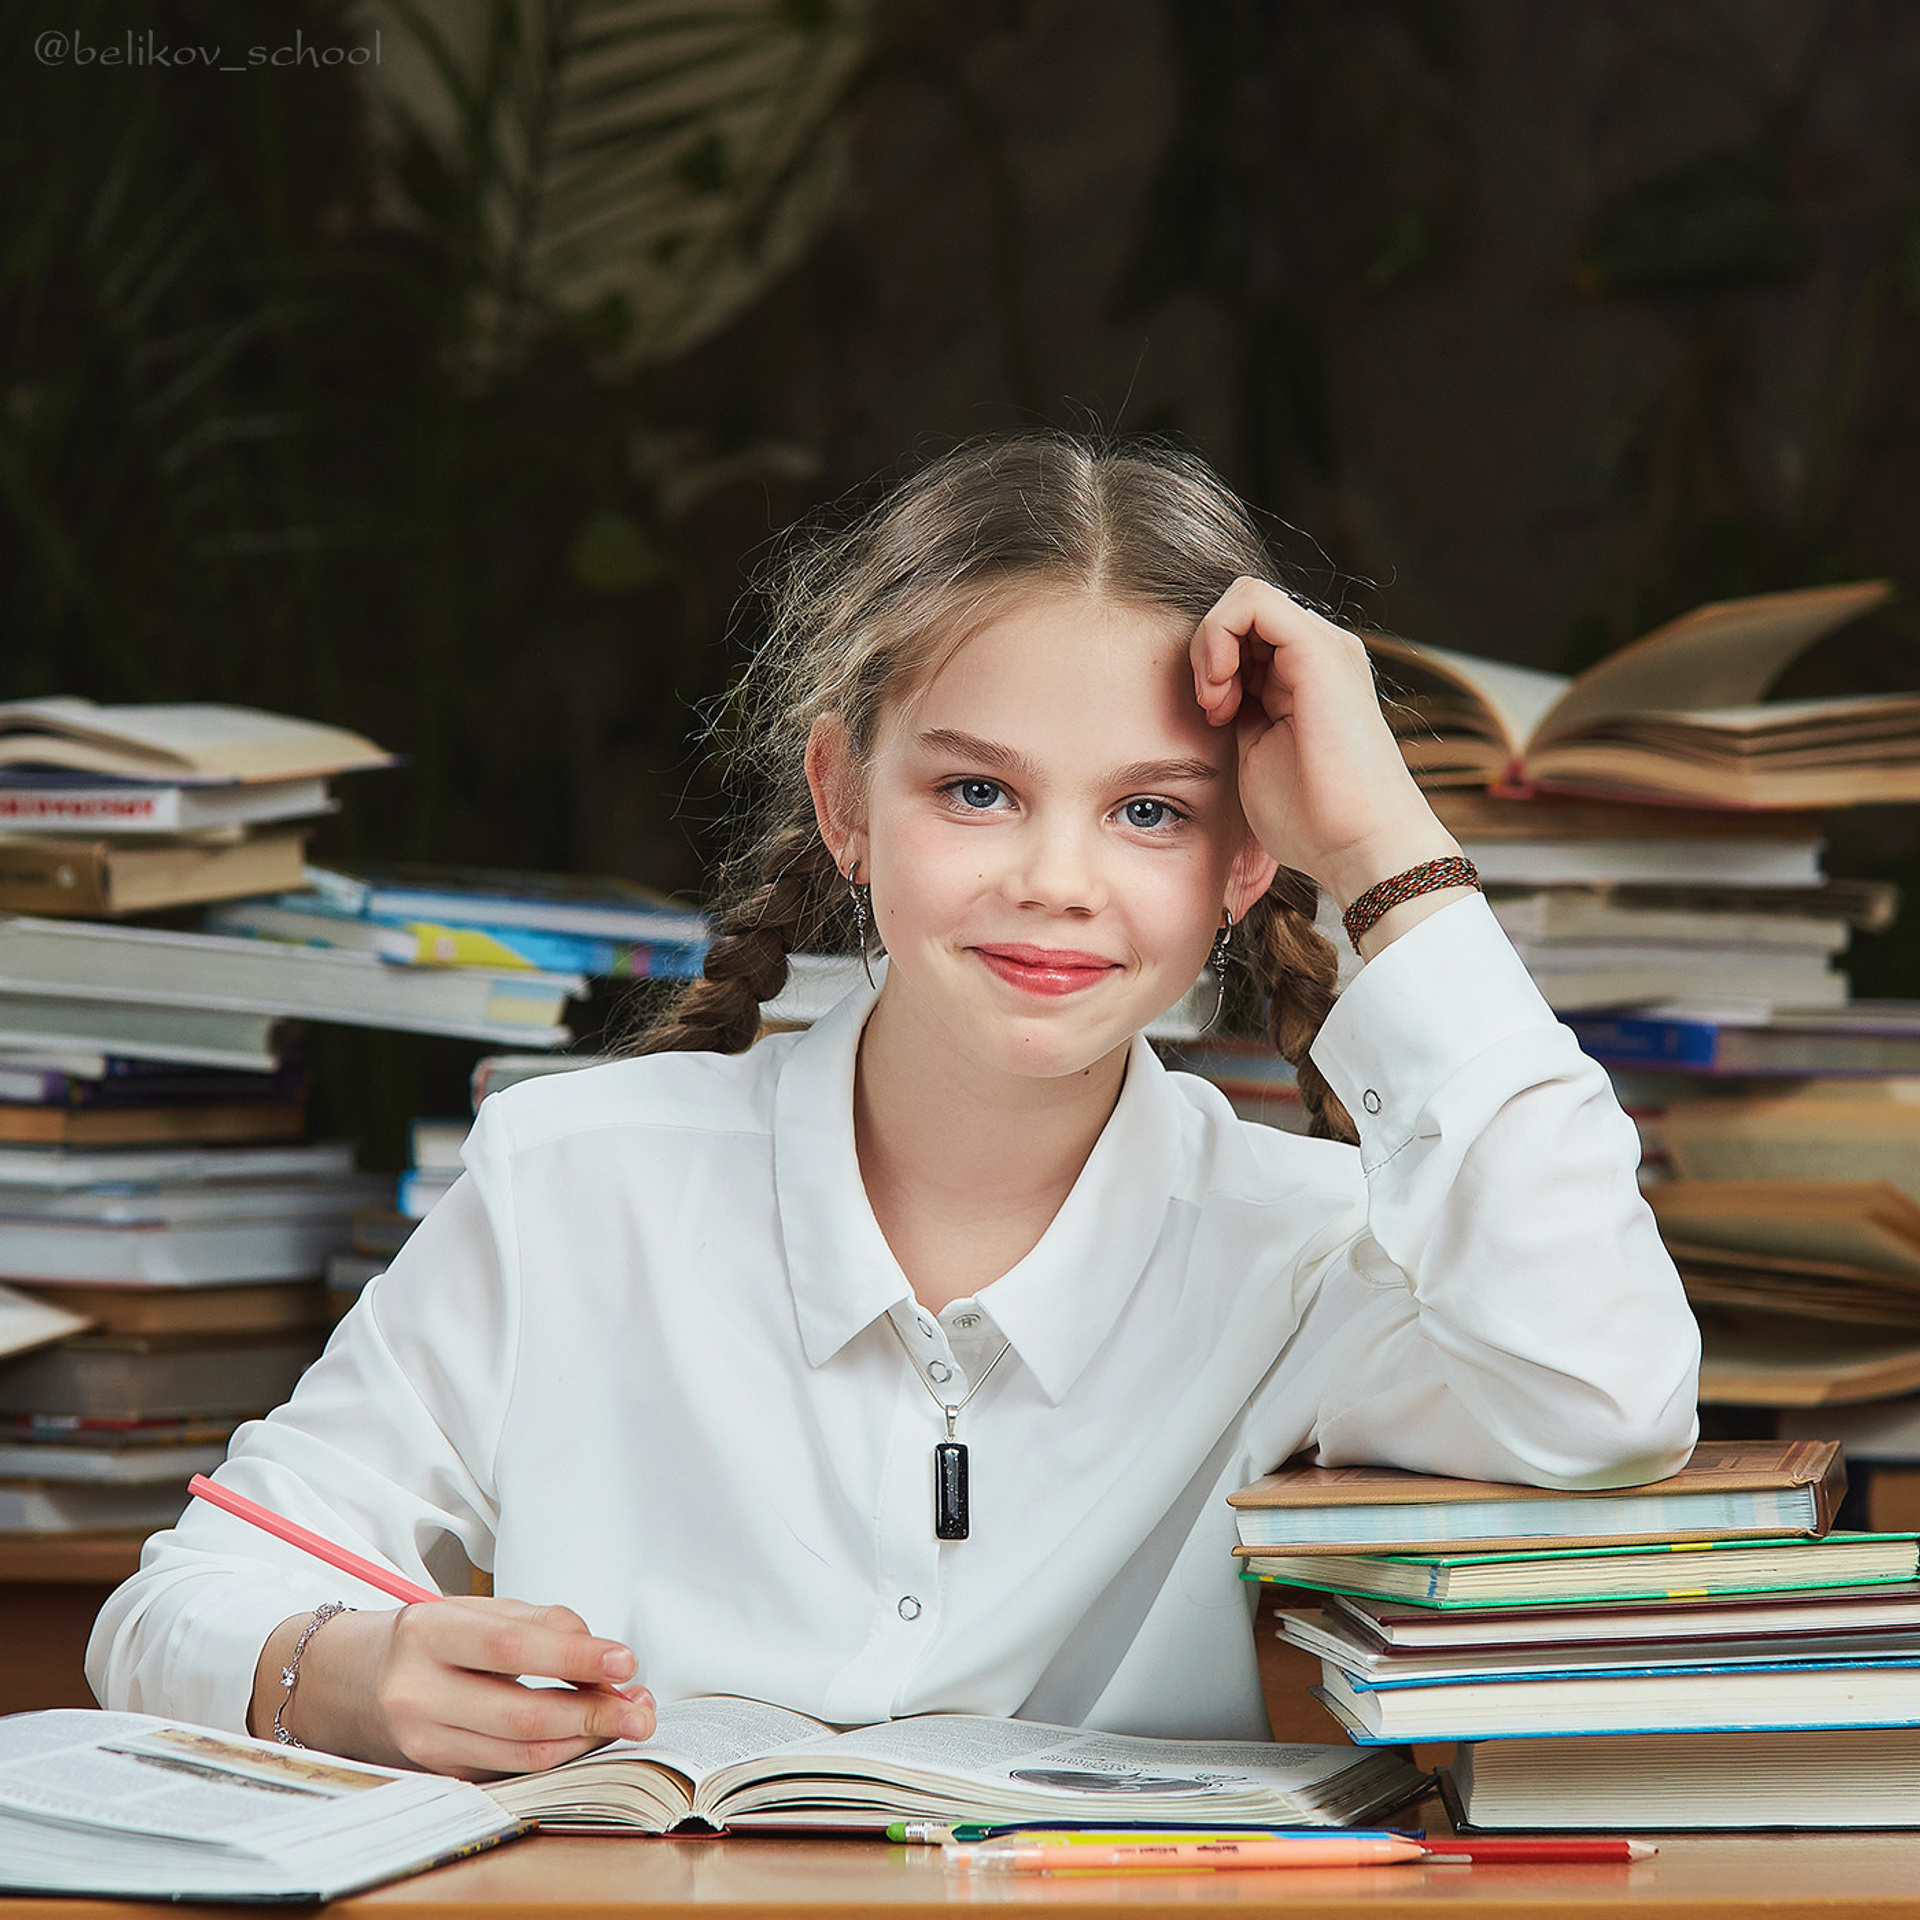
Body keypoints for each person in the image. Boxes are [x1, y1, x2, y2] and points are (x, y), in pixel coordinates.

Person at [89, 434, 1699, 1779]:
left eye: (1150, 812)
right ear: (847, 804)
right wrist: (346, 1673)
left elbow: (1603, 1393)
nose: (1054, 881)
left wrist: (1388, 850)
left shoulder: (1302, 1253)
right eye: (975, 790)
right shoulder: (574, 1186)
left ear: (1244, 863)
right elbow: (175, 1609)